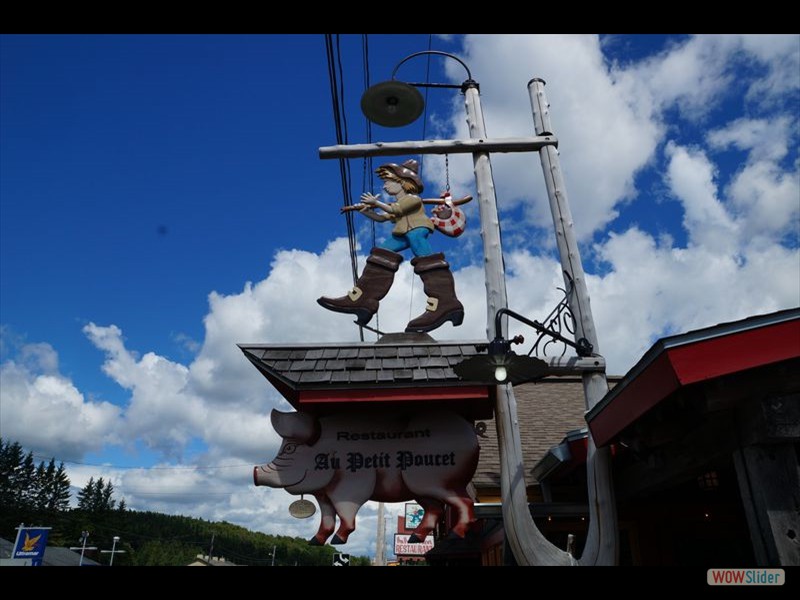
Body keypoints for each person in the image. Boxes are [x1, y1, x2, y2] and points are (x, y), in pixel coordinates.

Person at [317, 159, 464, 333]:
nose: (385, 186)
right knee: (382, 253)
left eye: (388, 181)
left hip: (417, 230)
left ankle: (445, 302)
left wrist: (376, 203)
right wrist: (367, 211)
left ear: (402, 183)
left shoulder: (413, 199)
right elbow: (382, 218)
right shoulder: (398, 202)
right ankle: (364, 299)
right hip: (404, 232)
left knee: (425, 256)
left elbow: (395, 210)